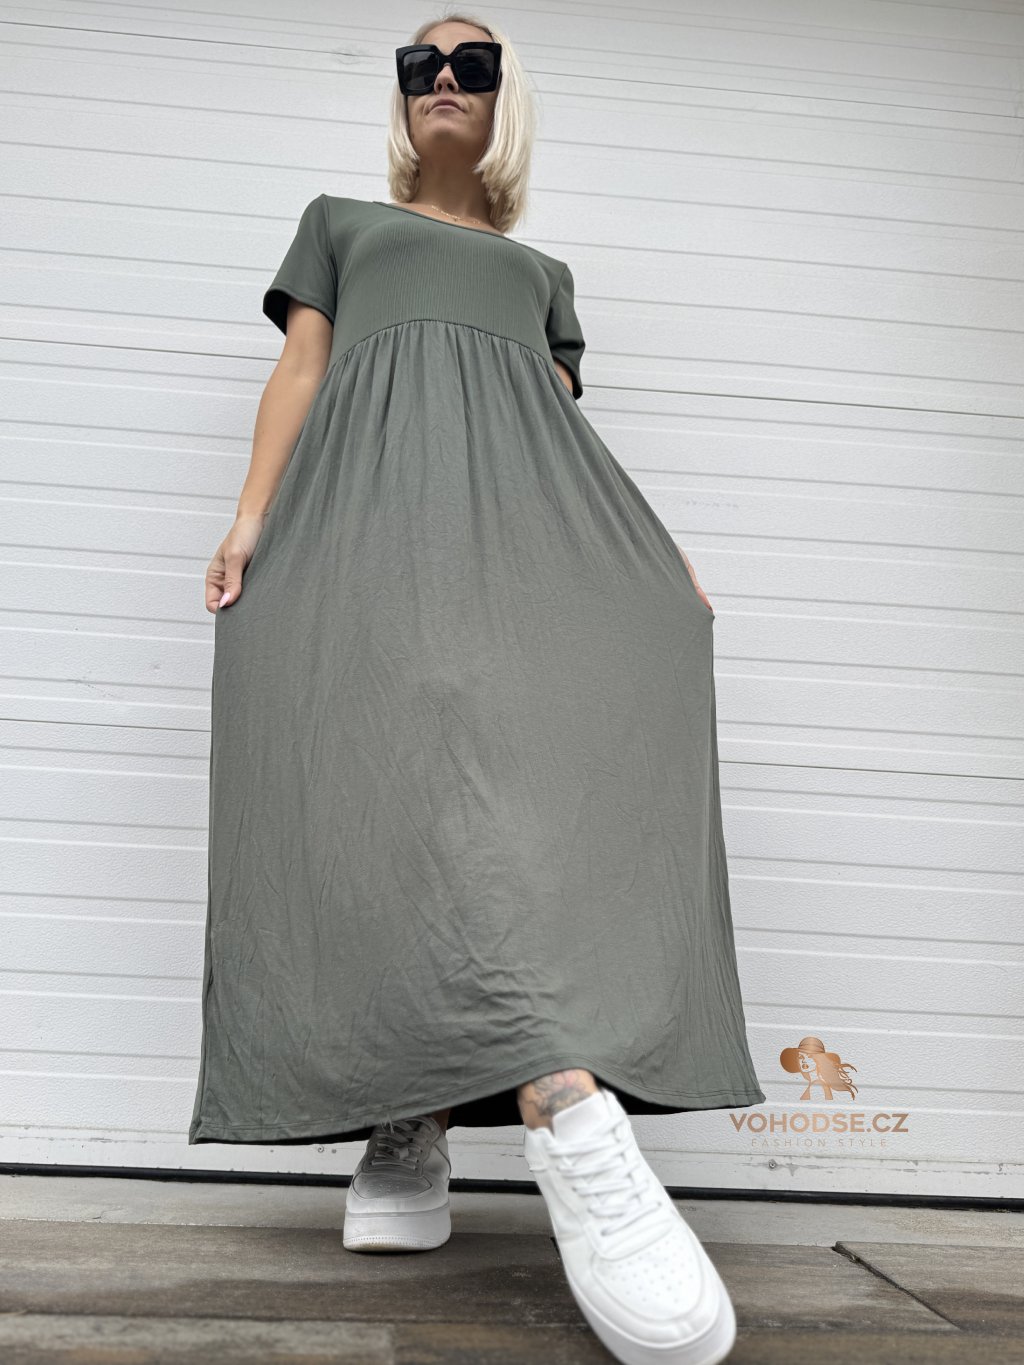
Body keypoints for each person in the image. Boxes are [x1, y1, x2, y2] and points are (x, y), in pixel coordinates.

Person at [188, 11, 763, 1364]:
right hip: (365, 528)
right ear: (402, 99)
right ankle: (413, 1114)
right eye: (421, 66)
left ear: (509, 100)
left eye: (473, 64)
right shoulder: (340, 224)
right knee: (384, 790)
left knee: (503, 803)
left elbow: (552, 437)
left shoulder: (542, 274)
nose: (444, 79)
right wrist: (249, 519)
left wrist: (654, 557)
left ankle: (535, 1103)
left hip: (507, 548)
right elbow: (303, 366)